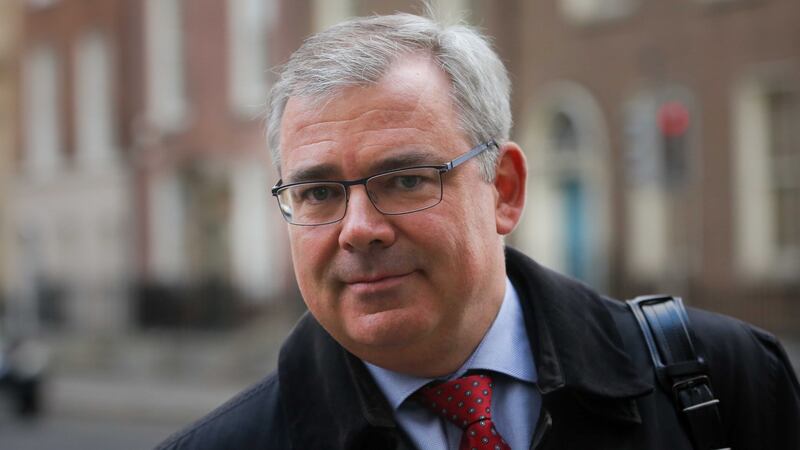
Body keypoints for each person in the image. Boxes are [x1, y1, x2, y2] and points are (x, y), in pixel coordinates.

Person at [156, 12, 800, 450]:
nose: (359, 229)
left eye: (406, 180)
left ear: (505, 189)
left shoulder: (725, 380)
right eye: (319, 192)